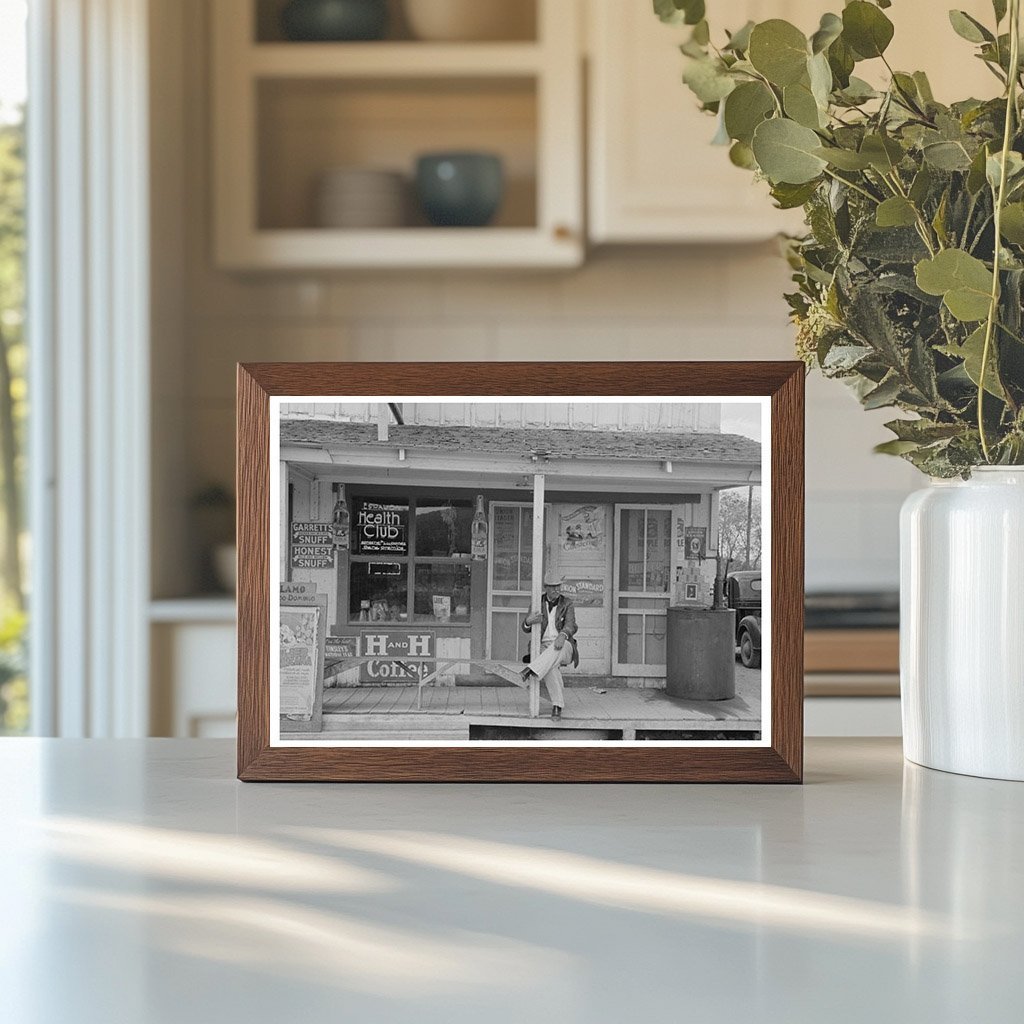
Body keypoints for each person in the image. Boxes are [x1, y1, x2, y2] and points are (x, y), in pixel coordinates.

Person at [520, 572, 579, 720]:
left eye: (558, 586)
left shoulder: (567, 603)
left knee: (553, 652)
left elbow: (571, 625)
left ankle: (532, 669)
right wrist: (528, 621)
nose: (557, 590)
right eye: (553, 587)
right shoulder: (537, 603)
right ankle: (557, 706)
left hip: (564, 644)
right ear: (546, 587)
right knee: (550, 666)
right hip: (543, 646)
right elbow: (525, 628)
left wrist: (563, 635)